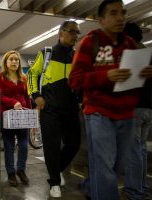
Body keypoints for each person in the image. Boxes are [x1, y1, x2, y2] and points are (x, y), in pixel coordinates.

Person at [68, 1, 152, 199]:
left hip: (127, 114)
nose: (120, 17)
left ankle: (91, 188)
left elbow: (131, 80)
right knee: (104, 167)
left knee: (116, 167)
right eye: (113, 13)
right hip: (99, 112)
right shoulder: (90, 42)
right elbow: (74, 80)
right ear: (101, 19)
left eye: (122, 13)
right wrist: (106, 76)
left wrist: (142, 75)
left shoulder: (130, 44)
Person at [27, 20, 81, 198]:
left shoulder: (76, 56)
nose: (76, 35)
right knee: (51, 147)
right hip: (50, 110)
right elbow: (31, 74)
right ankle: (55, 182)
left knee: (74, 143)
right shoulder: (47, 53)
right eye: (72, 32)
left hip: (71, 109)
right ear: (61, 33)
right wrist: (36, 96)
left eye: (77, 32)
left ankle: (56, 171)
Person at [123, 22, 152, 200]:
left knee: (133, 150)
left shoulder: (132, 54)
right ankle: (141, 185)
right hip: (149, 109)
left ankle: (134, 191)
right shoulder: (149, 53)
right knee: (141, 149)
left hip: (135, 108)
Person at [0, 50, 31, 187]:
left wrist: (30, 112)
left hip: (22, 115)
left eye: (16, 59)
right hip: (6, 115)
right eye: (11, 59)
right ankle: (10, 173)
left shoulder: (24, 77)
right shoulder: (0, 77)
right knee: (9, 146)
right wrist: (12, 102)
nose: (14, 61)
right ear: (6, 62)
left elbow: (27, 97)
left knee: (24, 145)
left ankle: (20, 170)